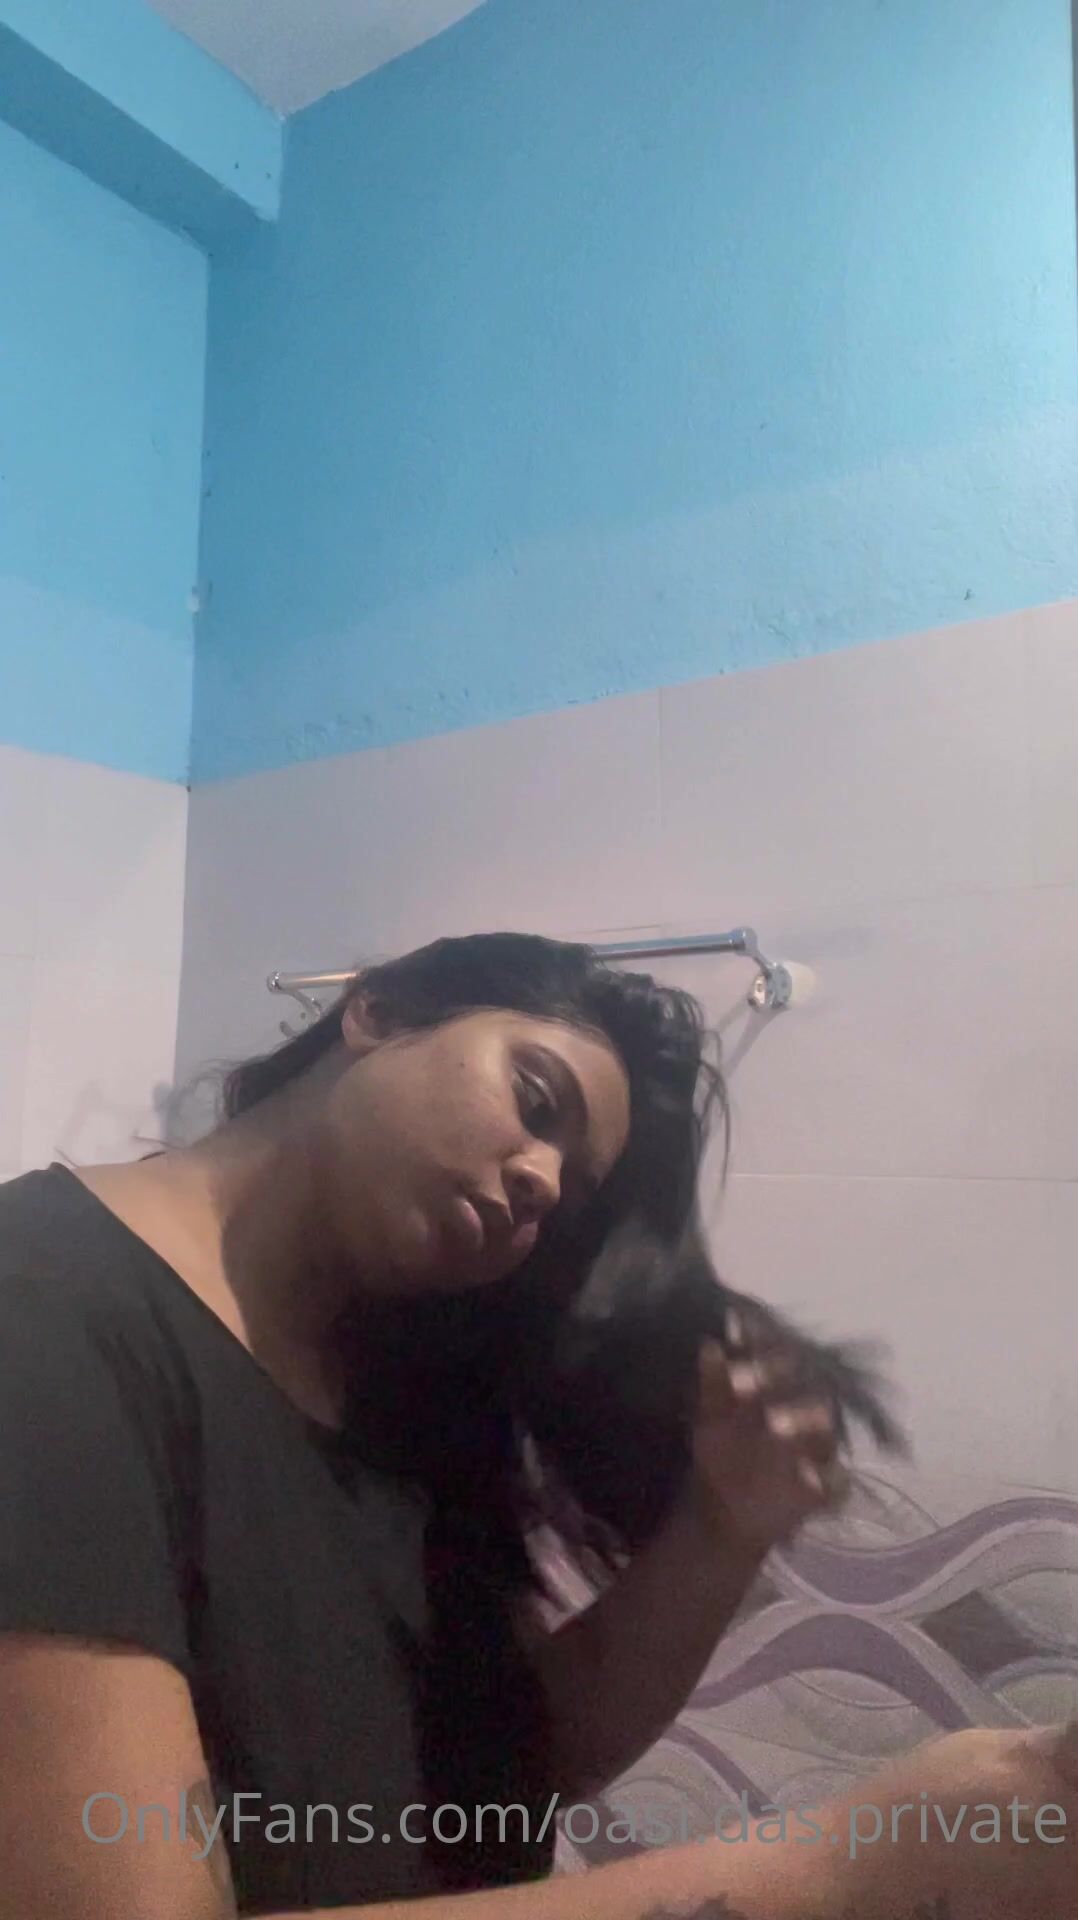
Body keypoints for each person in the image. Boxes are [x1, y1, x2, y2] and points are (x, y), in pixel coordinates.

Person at [0, 930, 1073, 1919]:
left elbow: (505, 1769)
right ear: (376, 1011)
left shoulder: (405, 1389)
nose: (541, 1182)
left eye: (572, 1194)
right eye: (536, 1098)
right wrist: (847, 1872)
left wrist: (717, 1530)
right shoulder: (40, 1310)